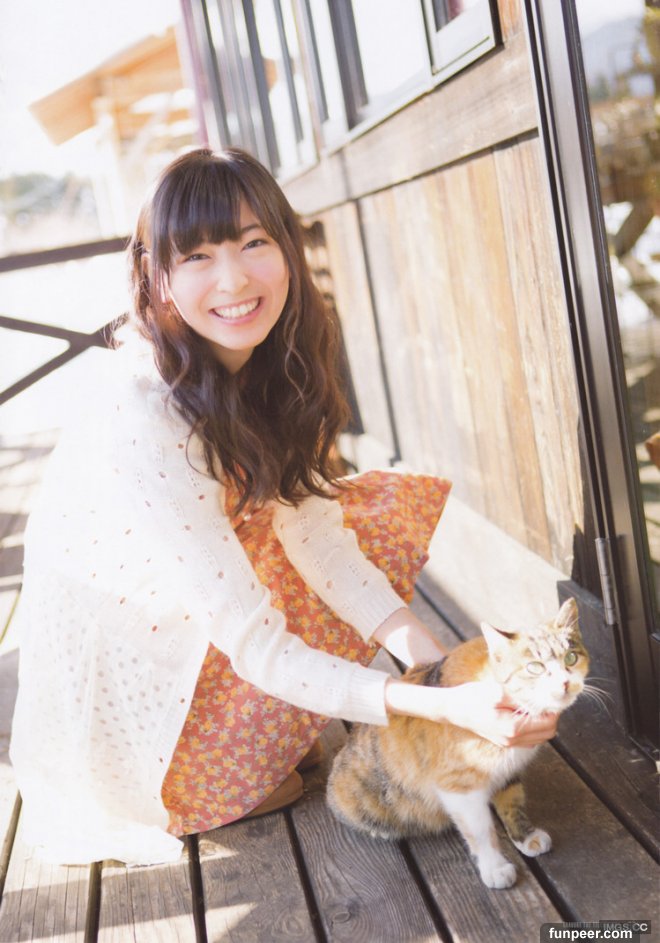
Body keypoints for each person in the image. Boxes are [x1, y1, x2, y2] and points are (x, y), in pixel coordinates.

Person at [9, 148, 557, 866]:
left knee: (369, 515)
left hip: (199, 609)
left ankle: (256, 737)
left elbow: (320, 540)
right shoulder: (146, 415)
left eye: (253, 242)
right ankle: (201, 772)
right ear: (157, 278)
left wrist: (444, 670)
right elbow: (255, 643)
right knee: (286, 771)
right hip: (138, 678)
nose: (234, 280)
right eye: (197, 256)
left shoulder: (275, 357)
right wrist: (440, 707)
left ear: (288, 249)